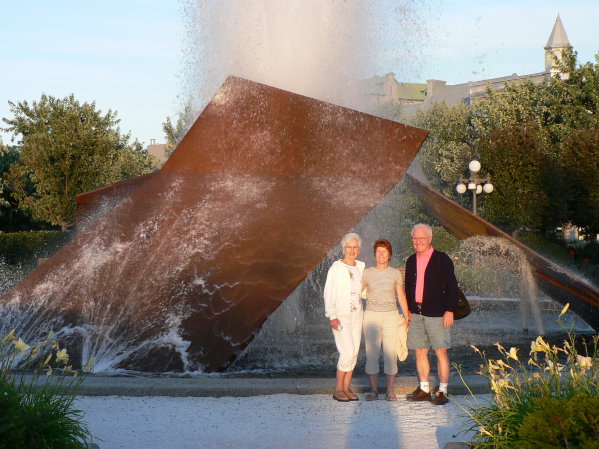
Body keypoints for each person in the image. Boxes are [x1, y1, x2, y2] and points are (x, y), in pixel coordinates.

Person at [404, 223, 458, 405]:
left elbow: (453, 287)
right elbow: (408, 288)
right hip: (417, 314)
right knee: (420, 351)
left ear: (430, 239)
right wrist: (410, 311)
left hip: (437, 313)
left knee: (440, 352)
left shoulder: (441, 259)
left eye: (422, 238)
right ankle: (425, 389)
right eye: (415, 238)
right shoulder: (411, 260)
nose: (418, 242)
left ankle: (443, 390)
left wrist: (450, 310)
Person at [362, 239, 410, 401]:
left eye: (384, 251)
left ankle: (390, 391)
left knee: (391, 353)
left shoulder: (395, 273)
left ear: (389, 255)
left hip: (391, 316)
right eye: (378, 251)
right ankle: (374, 390)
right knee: (372, 354)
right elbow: (355, 293)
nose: (381, 254)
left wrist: (407, 316)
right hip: (371, 316)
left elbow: (401, 297)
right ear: (375, 254)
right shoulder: (367, 272)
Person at [323, 232, 364, 402]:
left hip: (357, 315)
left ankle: (346, 388)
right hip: (341, 316)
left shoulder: (360, 267)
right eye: (349, 247)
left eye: (355, 247)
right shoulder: (336, 268)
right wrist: (331, 315)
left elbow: (364, 290)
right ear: (343, 249)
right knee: (346, 352)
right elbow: (328, 293)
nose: (352, 250)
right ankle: (338, 389)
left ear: (359, 249)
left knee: (354, 353)